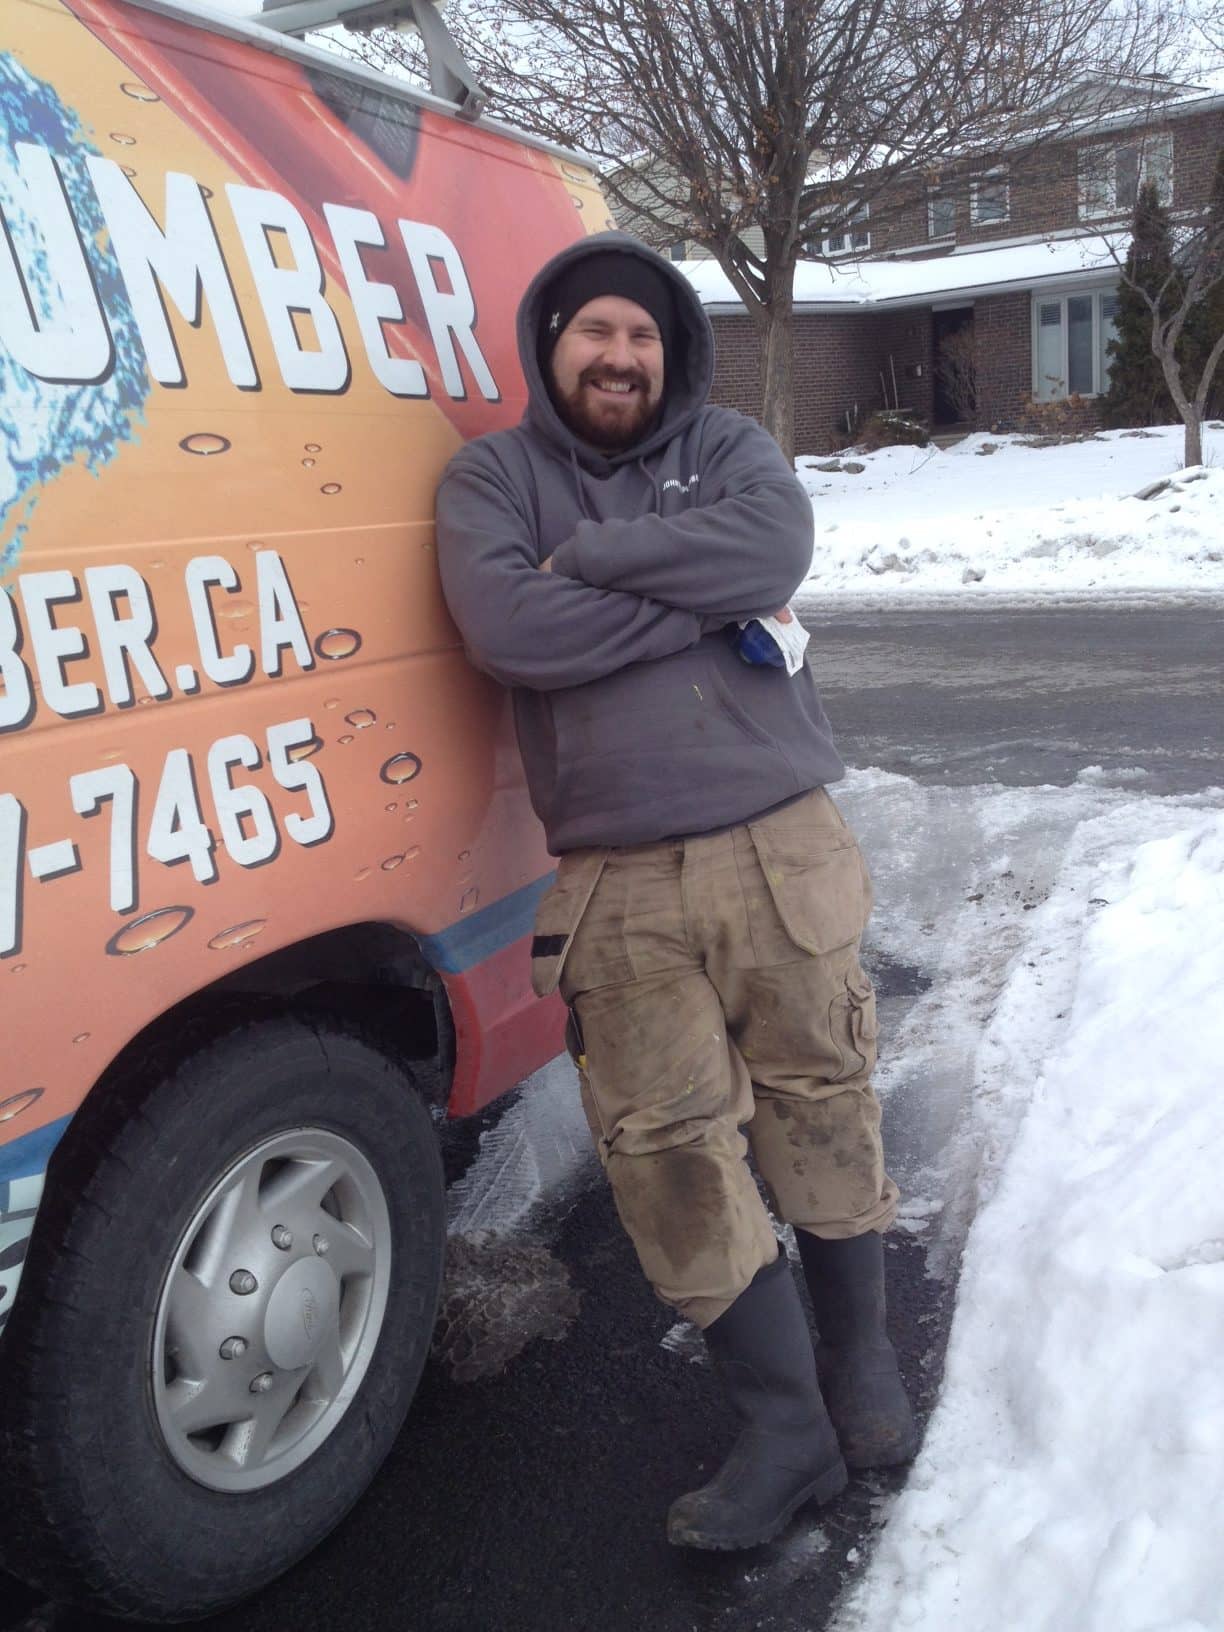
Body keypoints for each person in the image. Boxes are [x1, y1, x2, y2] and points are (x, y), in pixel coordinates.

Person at [435, 232, 916, 1551]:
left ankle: (862, 1366)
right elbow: (511, 631)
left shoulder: (731, 448)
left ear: (673, 351)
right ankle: (786, 1427)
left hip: (782, 842)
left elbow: (773, 550)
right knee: (664, 1146)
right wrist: (695, 594)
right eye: (596, 331)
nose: (621, 355)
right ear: (551, 345)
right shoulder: (492, 479)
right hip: (617, 875)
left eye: (643, 335)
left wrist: (589, 562)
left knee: (823, 1090)